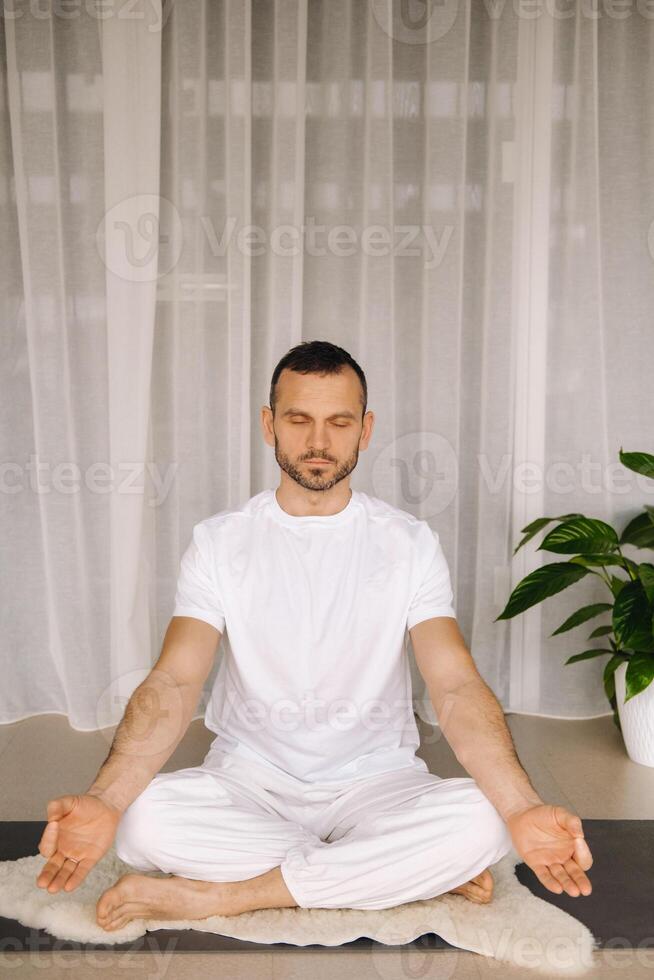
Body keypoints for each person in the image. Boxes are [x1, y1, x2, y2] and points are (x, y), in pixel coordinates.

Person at [36, 341, 593, 933]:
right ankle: (391, 874)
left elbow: (454, 683)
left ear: (365, 430)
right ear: (268, 424)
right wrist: (104, 797)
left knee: (484, 821)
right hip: (251, 778)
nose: (318, 442)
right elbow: (175, 678)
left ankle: (230, 897)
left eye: (339, 422)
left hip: (377, 780)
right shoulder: (220, 542)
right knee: (140, 819)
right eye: (299, 420)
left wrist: (523, 806)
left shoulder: (409, 543)